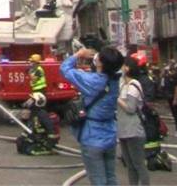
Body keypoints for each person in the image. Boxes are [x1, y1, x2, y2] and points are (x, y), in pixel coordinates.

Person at [61, 45, 124, 186]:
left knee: (98, 181)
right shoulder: (115, 80)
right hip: (110, 134)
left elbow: (65, 69)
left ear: (100, 62)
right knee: (111, 178)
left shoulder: (93, 81)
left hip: (92, 137)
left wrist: (79, 54)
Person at [118, 56, 151, 185]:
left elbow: (131, 108)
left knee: (138, 164)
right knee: (130, 165)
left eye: (122, 66)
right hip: (123, 129)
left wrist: (117, 99)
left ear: (127, 68)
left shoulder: (134, 84)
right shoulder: (122, 84)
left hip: (134, 130)